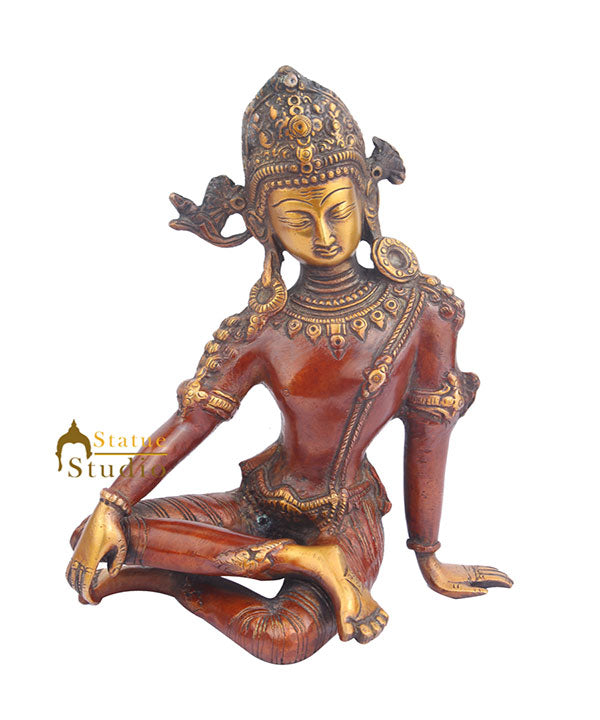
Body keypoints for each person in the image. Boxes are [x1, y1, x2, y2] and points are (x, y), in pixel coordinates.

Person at [66, 66, 512, 665]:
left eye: (337, 211)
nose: (324, 235)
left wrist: (429, 557)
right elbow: (194, 421)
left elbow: (430, 435)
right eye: (299, 220)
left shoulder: (423, 312)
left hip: (344, 515)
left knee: (283, 638)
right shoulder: (264, 328)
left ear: (367, 200)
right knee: (96, 533)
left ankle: (180, 577)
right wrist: (113, 502)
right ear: (264, 226)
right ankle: (297, 561)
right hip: (259, 502)